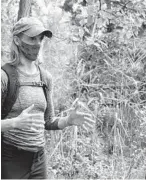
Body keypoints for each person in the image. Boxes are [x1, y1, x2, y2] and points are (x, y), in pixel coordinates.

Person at [1, 17, 95, 179]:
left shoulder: (45, 77)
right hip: (10, 158)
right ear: (17, 40)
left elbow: (48, 121)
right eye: (31, 38)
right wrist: (15, 122)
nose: (37, 43)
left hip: (39, 160)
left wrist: (67, 121)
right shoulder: (4, 77)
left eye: (40, 38)